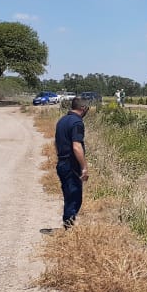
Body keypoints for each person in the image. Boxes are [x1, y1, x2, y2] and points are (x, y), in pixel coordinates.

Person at [50, 97, 90, 231]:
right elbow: (76, 146)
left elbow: (56, 142)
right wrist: (84, 167)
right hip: (70, 165)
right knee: (74, 197)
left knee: (68, 195)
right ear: (83, 108)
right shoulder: (77, 123)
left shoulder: (62, 120)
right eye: (87, 108)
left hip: (62, 162)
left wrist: (60, 157)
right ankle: (69, 228)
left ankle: (68, 225)